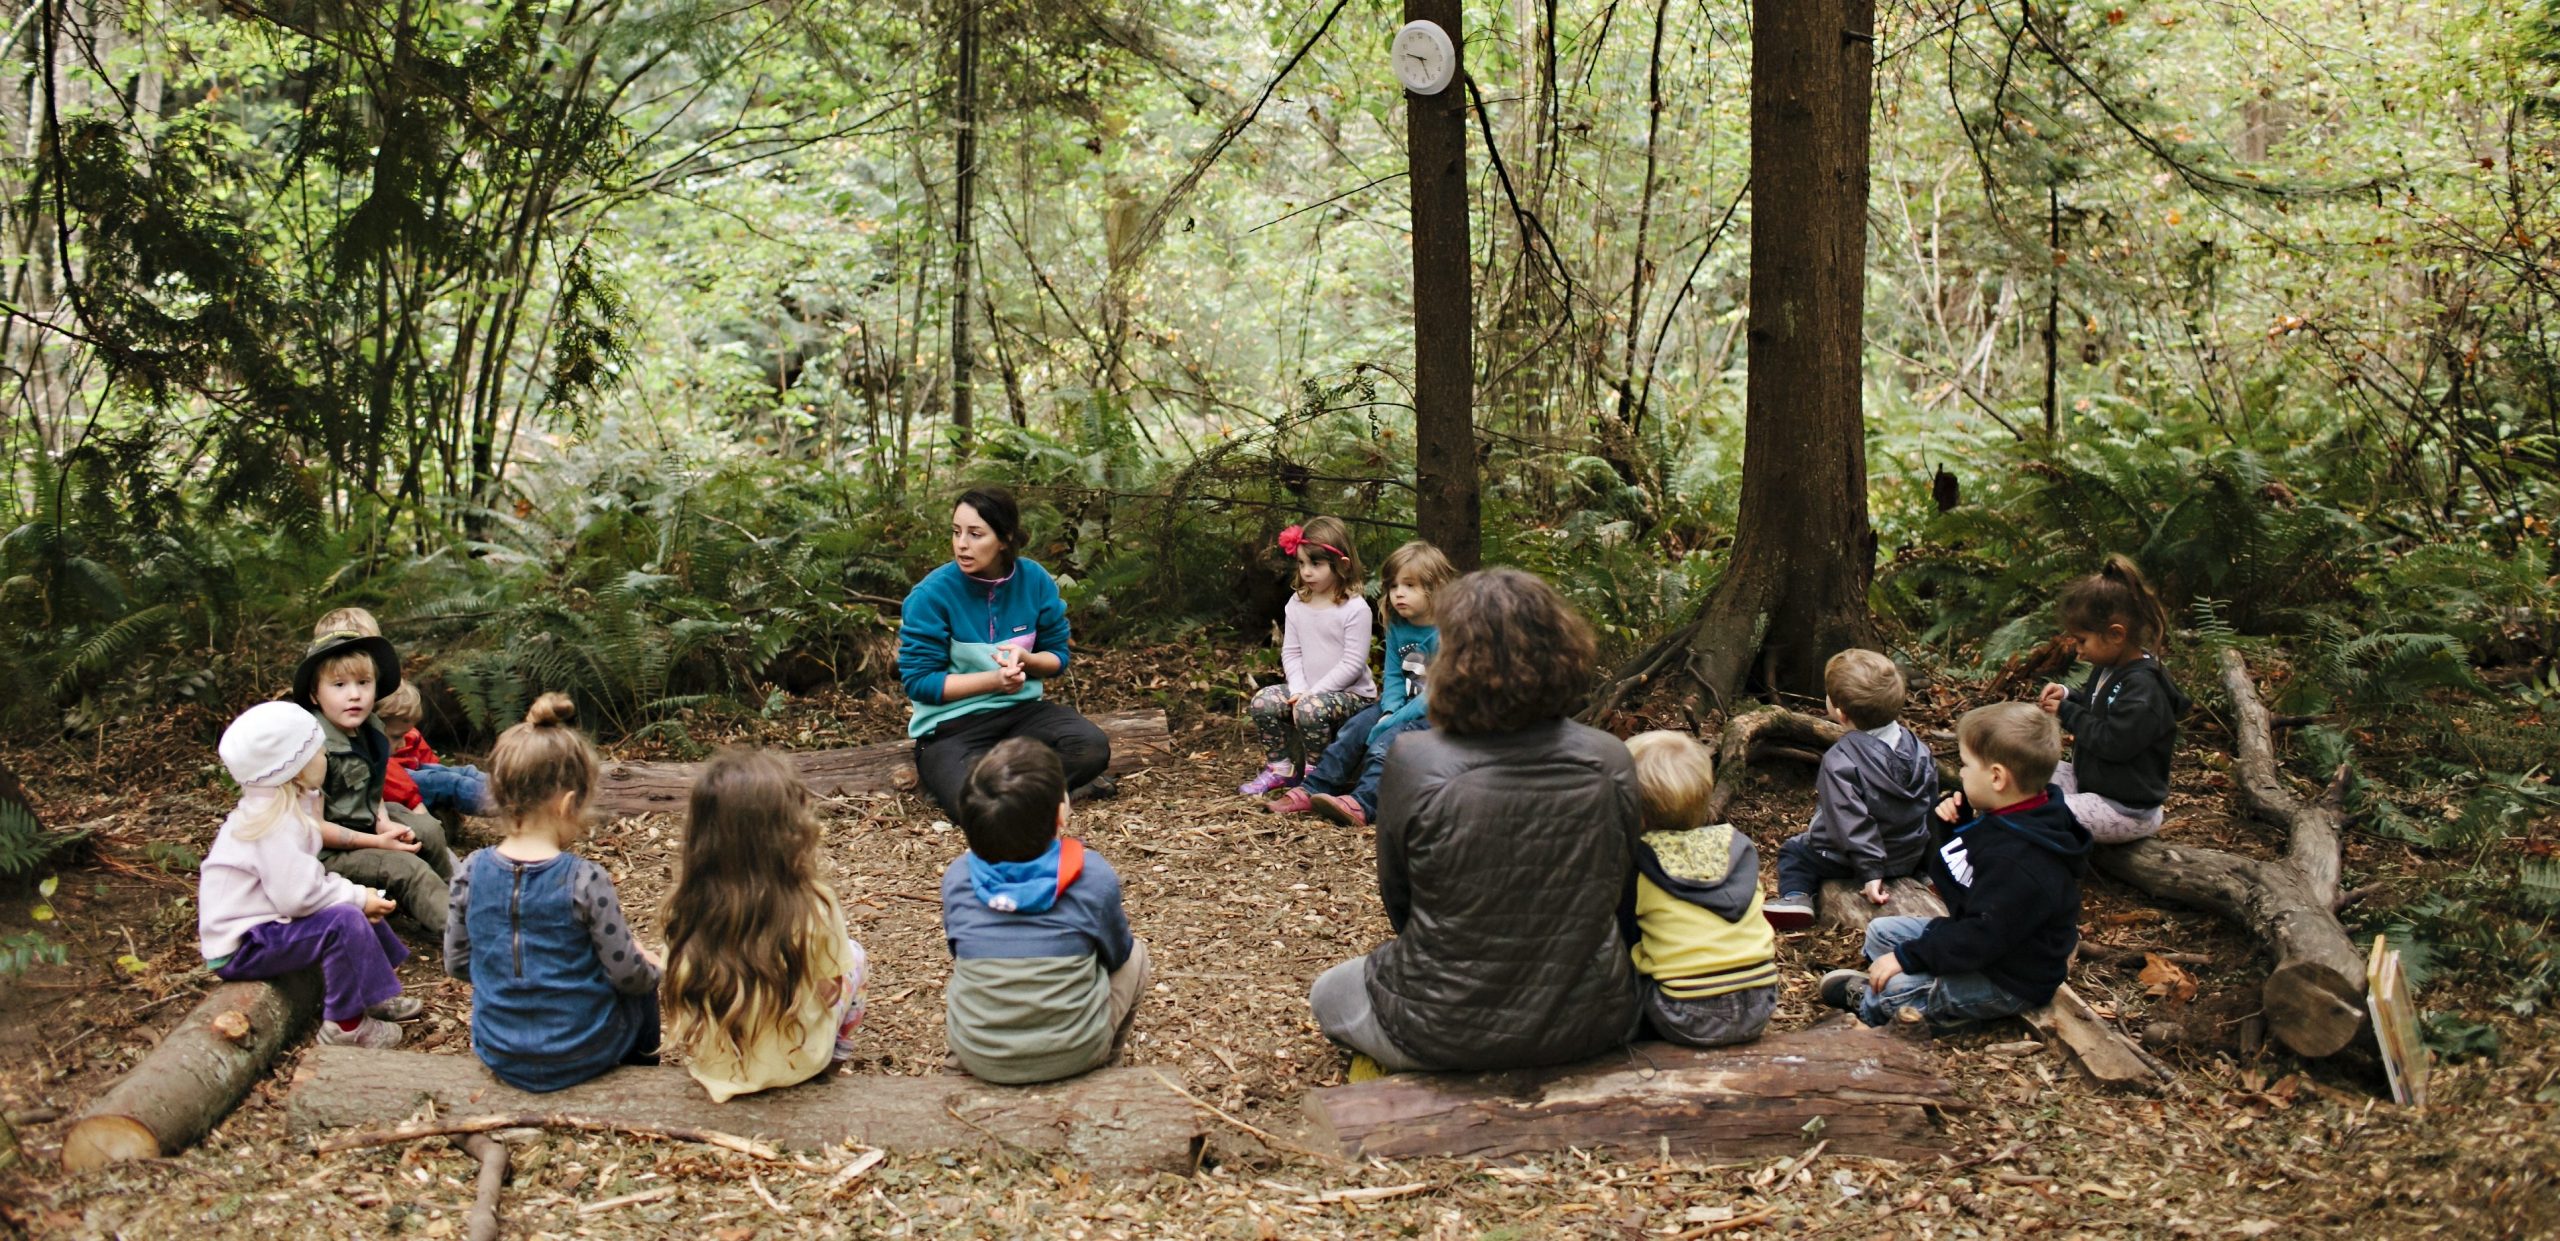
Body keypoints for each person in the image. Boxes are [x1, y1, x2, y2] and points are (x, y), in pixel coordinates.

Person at [1309, 568, 1641, 1073]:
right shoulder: (1612, 757)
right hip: (1593, 1023)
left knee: (1329, 991)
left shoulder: (1413, 759)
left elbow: (1402, 904)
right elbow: (1621, 900)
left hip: (1443, 1028)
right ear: (1564, 650)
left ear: (1452, 657)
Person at [1817, 702, 2090, 1032]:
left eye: (1965, 765)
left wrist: (1907, 958)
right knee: (1880, 933)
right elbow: (1967, 873)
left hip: (2010, 976)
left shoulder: (2022, 860)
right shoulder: (2019, 812)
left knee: (1894, 990)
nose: (1960, 773)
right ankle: (1915, 980)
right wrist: (1956, 826)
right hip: (1985, 942)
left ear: (1997, 777)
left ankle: (1879, 1002)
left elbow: (1981, 935)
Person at [445, 695, 661, 1092]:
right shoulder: (584, 879)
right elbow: (627, 975)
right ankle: (644, 1069)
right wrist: (654, 967)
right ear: (567, 804)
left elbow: (457, 962)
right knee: (644, 977)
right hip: (583, 1049)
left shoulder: (471, 871)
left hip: (498, 1049)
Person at [200, 701, 419, 1049]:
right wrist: (358, 899)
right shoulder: (275, 824)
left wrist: (359, 895)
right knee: (346, 918)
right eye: (318, 751)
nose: (326, 757)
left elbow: (304, 881)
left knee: (355, 902)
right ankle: (346, 1026)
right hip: (243, 944)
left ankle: (371, 989)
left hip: (268, 921)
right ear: (295, 769)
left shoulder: (283, 806)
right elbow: (298, 897)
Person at [663, 749, 870, 1101]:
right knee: (856, 958)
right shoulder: (814, 903)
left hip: (714, 1067)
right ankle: (834, 1060)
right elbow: (830, 986)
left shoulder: (685, 906)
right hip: (798, 1064)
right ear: (789, 829)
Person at [940, 737, 1149, 1084]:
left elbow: (958, 949)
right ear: (1060, 814)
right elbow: (1117, 955)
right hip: (1076, 1052)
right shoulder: (1092, 876)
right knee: (1137, 956)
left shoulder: (958, 878)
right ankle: (1105, 1064)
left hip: (978, 1053)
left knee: (974, 970)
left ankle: (958, 1062)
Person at [899, 486, 1113, 817]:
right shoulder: (930, 595)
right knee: (971, 806)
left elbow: (1057, 657)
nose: (962, 544)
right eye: (956, 532)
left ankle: (1003, 790)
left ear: (1004, 538)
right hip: (951, 731)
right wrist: (995, 680)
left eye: (975, 534)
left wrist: (1028, 660)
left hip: (1021, 715)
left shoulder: (1034, 581)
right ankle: (1039, 789)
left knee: (1090, 747)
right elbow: (920, 682)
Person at [1268, 540, 1459, 827]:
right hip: (1403, 706)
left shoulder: (1448, 630)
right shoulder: (1398, 624)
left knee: (1388, 743)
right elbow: (1394, 675)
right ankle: (1315, 786)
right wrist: (1388, 711)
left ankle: (1364, 802)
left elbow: (1434, 694)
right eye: (1393, 586)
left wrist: (1392, 722)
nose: (1398, 594)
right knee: (1353, 730)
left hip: (1440, 713)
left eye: (1409, 586)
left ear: (1435, 587)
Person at [293, 626, 456, 938]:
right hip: (327, 851)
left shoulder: (369, 727)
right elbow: (311, 829)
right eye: (339, 685)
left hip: (364, 820)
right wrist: (377, 842)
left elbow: (373, 786)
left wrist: (382, 822)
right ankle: (466, 941)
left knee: (428, 830)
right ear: (315, 694)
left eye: (363, 683)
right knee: (407, 869)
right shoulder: (313, 747)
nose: (354, 694)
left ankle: (453, 904)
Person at [1621, 731, 1778, 1047]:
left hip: (1683, 1013)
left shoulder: (1637, 863)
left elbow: (1625, 935)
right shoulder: (1737, 847)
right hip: (1759, 1005)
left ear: (1637, 813)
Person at [1763, 650, 1940, 930]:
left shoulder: (1840, 759)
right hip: (1907, 856)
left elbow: (1849, 820)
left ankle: (1796, 897)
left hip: (1850, 861)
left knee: (1794, 851)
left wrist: (1871, 871)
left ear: (1840, 714)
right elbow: (1929, 809)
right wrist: (1930, 860)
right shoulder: (1918, 749)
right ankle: (1928, 877)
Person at [2038, 555, 2190, 843]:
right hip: (2094, 785)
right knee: (2023, 770)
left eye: (2082, 641)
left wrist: (2068, 712)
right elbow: (2100, 706)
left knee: (2037, 812)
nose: (2078, 651)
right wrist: (2069, 695)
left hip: (2125, 809)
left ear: (2116, 634)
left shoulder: (2144, 689)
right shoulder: (2111, 667)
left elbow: (2113, 741)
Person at [1238, 516, 1378, 797]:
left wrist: (1312, 693)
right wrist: (1300, 688)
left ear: (1342, 564)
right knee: (1263, 700)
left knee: (1309, 708)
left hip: (1352, 695)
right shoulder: (1298, 603)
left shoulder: (1355, 608)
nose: (1307, 572)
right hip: (1308, 690)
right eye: (1302, 564)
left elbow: (1352, 663)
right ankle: (1281, 768)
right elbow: (1291, 652)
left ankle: (1318, 776)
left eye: (1316, 564)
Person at [377, 683, 495, 818]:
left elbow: (424, 754)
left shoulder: (399, 731)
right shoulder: (373, 757)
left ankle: (509, 785)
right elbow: (399, 786)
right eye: (397, 737)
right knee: (446, 782)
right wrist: (415, 802)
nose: (403, 743)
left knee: (463, 772)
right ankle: (505, 803)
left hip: (409, 772)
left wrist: (435, 767)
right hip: (402, 787)